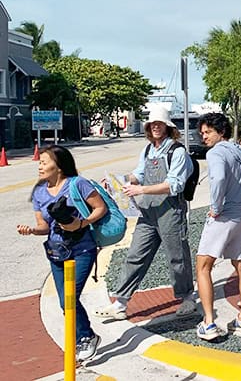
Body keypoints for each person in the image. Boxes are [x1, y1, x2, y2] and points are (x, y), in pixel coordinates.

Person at [95, 106, 196, 320]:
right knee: (135, 255)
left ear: (168, 127)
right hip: (149, 212)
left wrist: (141, 190)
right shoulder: (148, 150)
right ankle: (120, 303)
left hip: (171, 212)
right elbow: (139, 174)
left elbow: (174, 185)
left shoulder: (177, 152)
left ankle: (187, 298)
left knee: (177, 257)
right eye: (152, 124)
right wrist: (118, 180)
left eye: (160, 123)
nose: (156, 127)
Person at [18, 145, 107, 363]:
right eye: (40, 162)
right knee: (64, 301)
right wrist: (31, 230)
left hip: (82, 249)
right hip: (57, 252)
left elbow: (100, 208)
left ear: (59, 166)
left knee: (70, 298)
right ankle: (85, 338)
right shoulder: (39, 192)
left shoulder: (78, 184)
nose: (40, 166)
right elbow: (44, 226)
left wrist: (81, 223)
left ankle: (85, 337)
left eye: (45, 162)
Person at [195, 112, 241, 340]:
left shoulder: (216, 153)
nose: (203, 136)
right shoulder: (240, 152)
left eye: (208, 132)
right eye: (202, 133)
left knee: (203, 266)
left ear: (221, 131)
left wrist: (216, 207)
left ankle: (208, 322)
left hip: (222, 218)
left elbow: (217, 179)